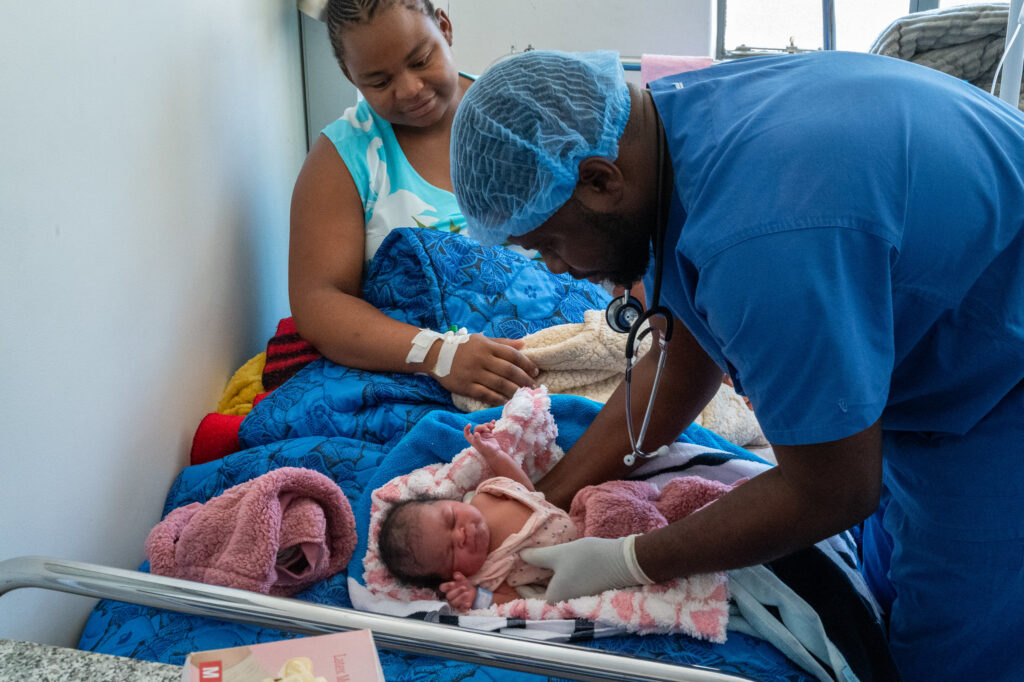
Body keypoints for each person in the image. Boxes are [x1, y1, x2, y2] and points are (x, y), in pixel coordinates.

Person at [448, 49, 1024, 681]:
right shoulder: (667, 129)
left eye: (548, 244)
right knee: (884, 577)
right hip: (938, 338)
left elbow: (831, 489)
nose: (554, 267)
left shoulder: (763, 241)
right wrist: (543, 502)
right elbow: (688, 350)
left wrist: (631, 560)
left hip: (1003, 379)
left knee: (954, 649)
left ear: (600, 181)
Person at [288, 0, 538, 407]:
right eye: (378, 81)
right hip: (421, 375)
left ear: (445, 27)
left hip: (548, 345)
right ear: (349, 73)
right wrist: (438, 355)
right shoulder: (344, 159)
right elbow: (319, 301)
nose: (409, 89)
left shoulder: (518, 118)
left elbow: (608, 225)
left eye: (421, 60)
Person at [377, 421, 577, 611]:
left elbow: (525, 491)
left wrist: (495, 454)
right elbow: (518, 602)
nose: (460, 535)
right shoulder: (488, 576)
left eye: (452, 520)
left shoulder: (485, 496)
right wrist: (476, 597)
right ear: (449, 577)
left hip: (580, 511)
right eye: (451, 552)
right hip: (580, 569)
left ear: (451, 501)